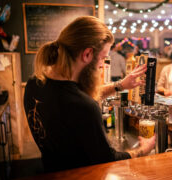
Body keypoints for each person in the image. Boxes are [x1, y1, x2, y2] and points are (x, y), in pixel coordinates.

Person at [23, 16, 155, 173]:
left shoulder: (34, 83)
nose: (102, 65)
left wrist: (120, 85)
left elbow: (72, 98)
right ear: (87, 54)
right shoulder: (83, 106)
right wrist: (143, 150)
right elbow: (108, 160)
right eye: (103, 58)